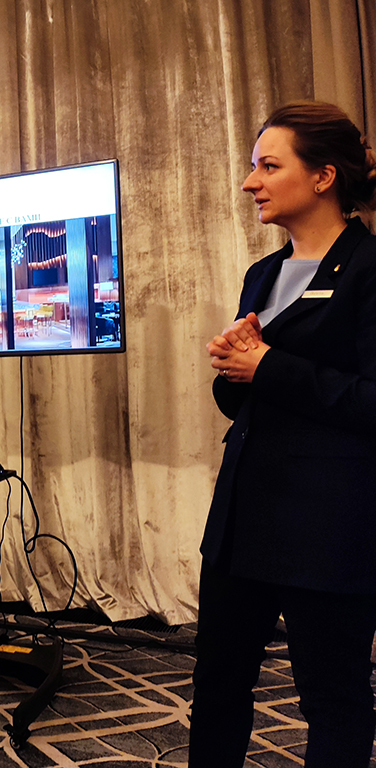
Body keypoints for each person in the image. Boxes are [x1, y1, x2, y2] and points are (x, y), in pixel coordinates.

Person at [190, 101, 376, 766]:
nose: (251, 182)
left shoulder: (369, 269)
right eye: (253, 167)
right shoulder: (262, 275)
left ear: (323, 176)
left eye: (268, 166)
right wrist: (232, 367)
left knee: (332, 697)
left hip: (327, 524)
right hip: (243, 517)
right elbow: (243, 400)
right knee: (216, 685)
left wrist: (268, 365)